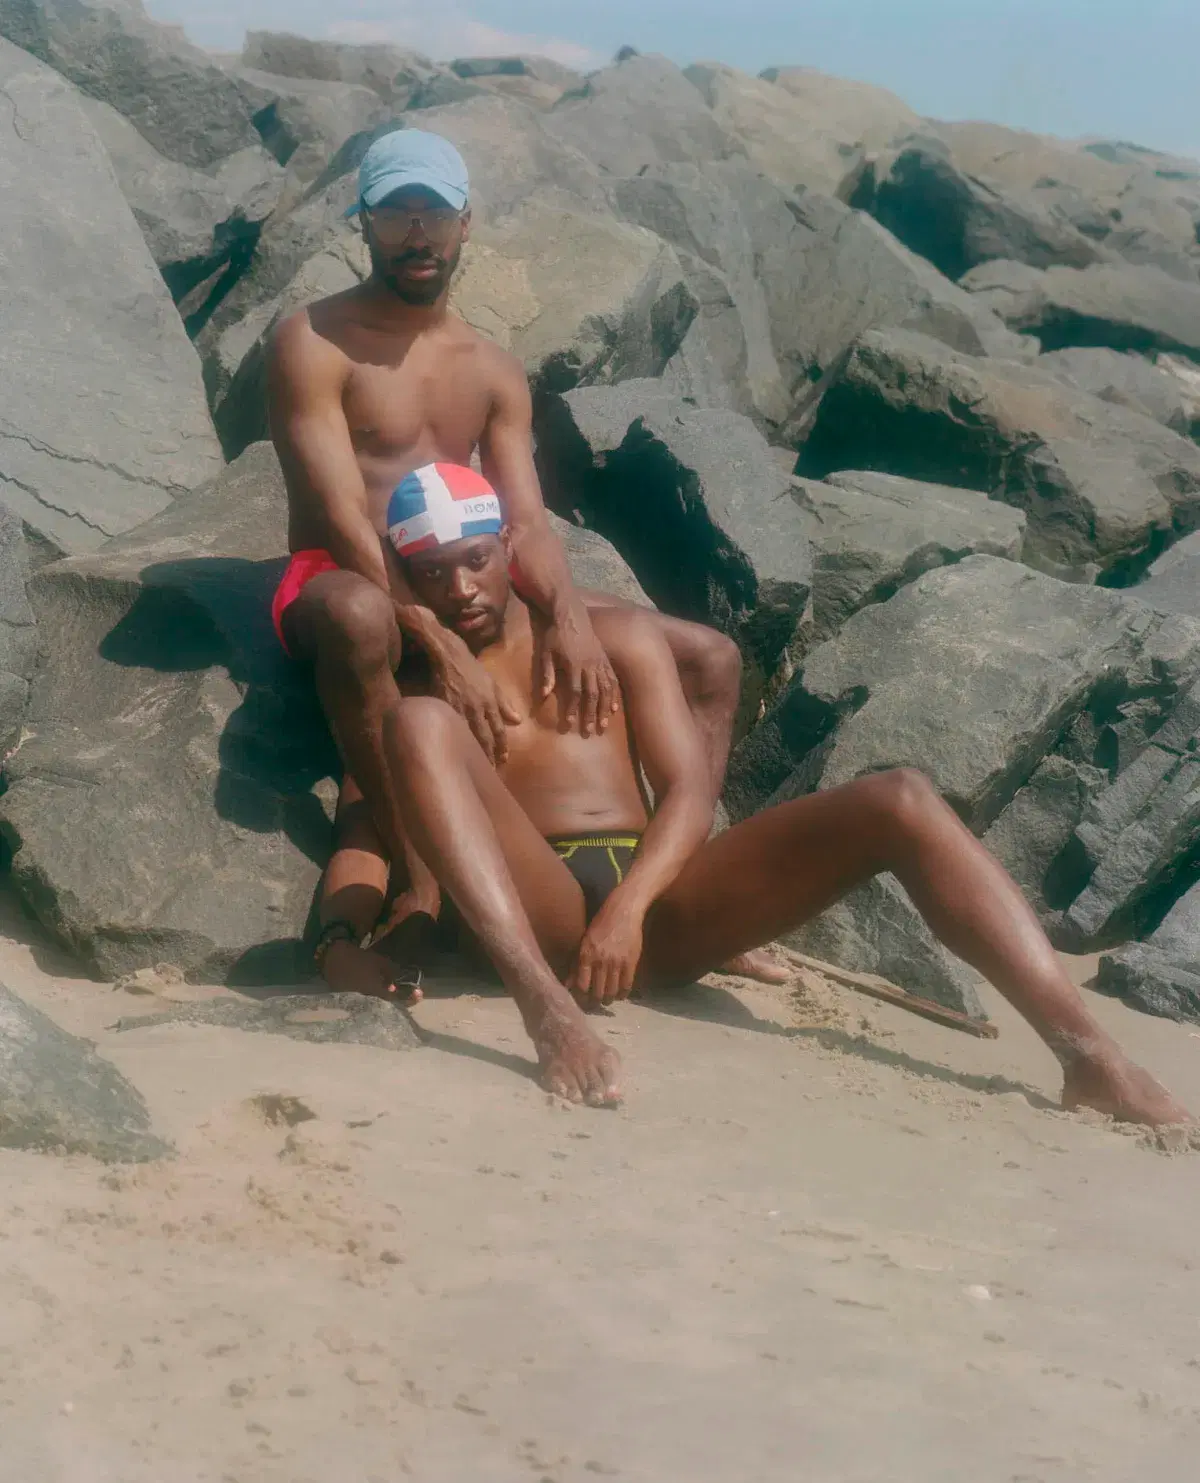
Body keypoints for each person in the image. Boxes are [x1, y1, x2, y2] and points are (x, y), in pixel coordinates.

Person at [314, 468, 1191, 1128]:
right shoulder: (413, 684)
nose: (459, 591)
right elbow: (370, 819)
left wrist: (629, 908)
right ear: (404, 581)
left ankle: (1090, 1056)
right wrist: (336, 941)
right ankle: (549, 1017)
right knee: (421, 726)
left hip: (653, 898)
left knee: (901, 797)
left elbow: (691, 792)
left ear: (507, 549)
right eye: (429, 576)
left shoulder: (612, 633)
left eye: (472, 563)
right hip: (536, 910)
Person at [266, 127, 774, 974]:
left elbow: (526, 523)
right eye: (396, 215)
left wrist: (568, 614)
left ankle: (674, 886)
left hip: (459, 565)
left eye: (434, 215)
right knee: (361, 618)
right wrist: (431, 638)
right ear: (362, 223)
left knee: (711, 658)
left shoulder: (492, 367)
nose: (416, 235)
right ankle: (419, 880)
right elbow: (343, 512)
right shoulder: (314, 340)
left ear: (468, 224)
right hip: (342, 570)